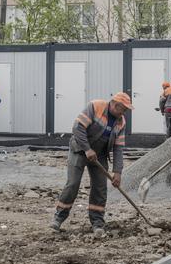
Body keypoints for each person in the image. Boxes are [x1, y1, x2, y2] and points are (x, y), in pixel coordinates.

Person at [52, 92, 132, 236]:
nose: (124, 112)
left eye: (126, 110)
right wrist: (87, 149)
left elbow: (118, 147)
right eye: (123, 109)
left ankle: (97, 222)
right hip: (80, 149)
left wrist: (118, 172)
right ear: (114, 104)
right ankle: (59, 217)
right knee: (73, 183)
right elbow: (78, 127)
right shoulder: (95, 106)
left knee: (100, 187)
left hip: (99, 154)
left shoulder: (121, 122)